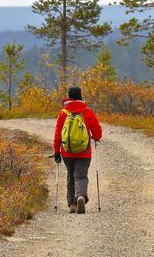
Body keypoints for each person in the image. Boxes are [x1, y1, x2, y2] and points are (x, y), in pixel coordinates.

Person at [53, 86, 102, 214]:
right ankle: (80, 195)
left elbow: (57, 134)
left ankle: (72, 204)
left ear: (69, 97)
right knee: (81, 176)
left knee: (70, 176)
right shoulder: (87, 111)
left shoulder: (63, 113)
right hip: (84, 151)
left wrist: (56, 152)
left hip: (67, 151)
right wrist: (95, 137)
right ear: (80, 96)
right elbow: (97, 133)